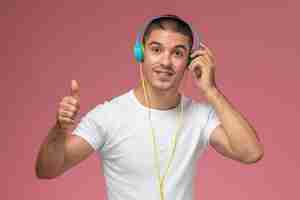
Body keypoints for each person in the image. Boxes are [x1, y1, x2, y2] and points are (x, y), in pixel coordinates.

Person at [35, 15, 264, 200]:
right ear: (140, 53)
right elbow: (47, 170)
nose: (165, 62)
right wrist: (59, 128)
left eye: (177, 53)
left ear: (189, 62)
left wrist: (211, 90)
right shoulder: (108, 116)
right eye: (156, 49)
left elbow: (251, 153)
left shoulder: (200, 116)